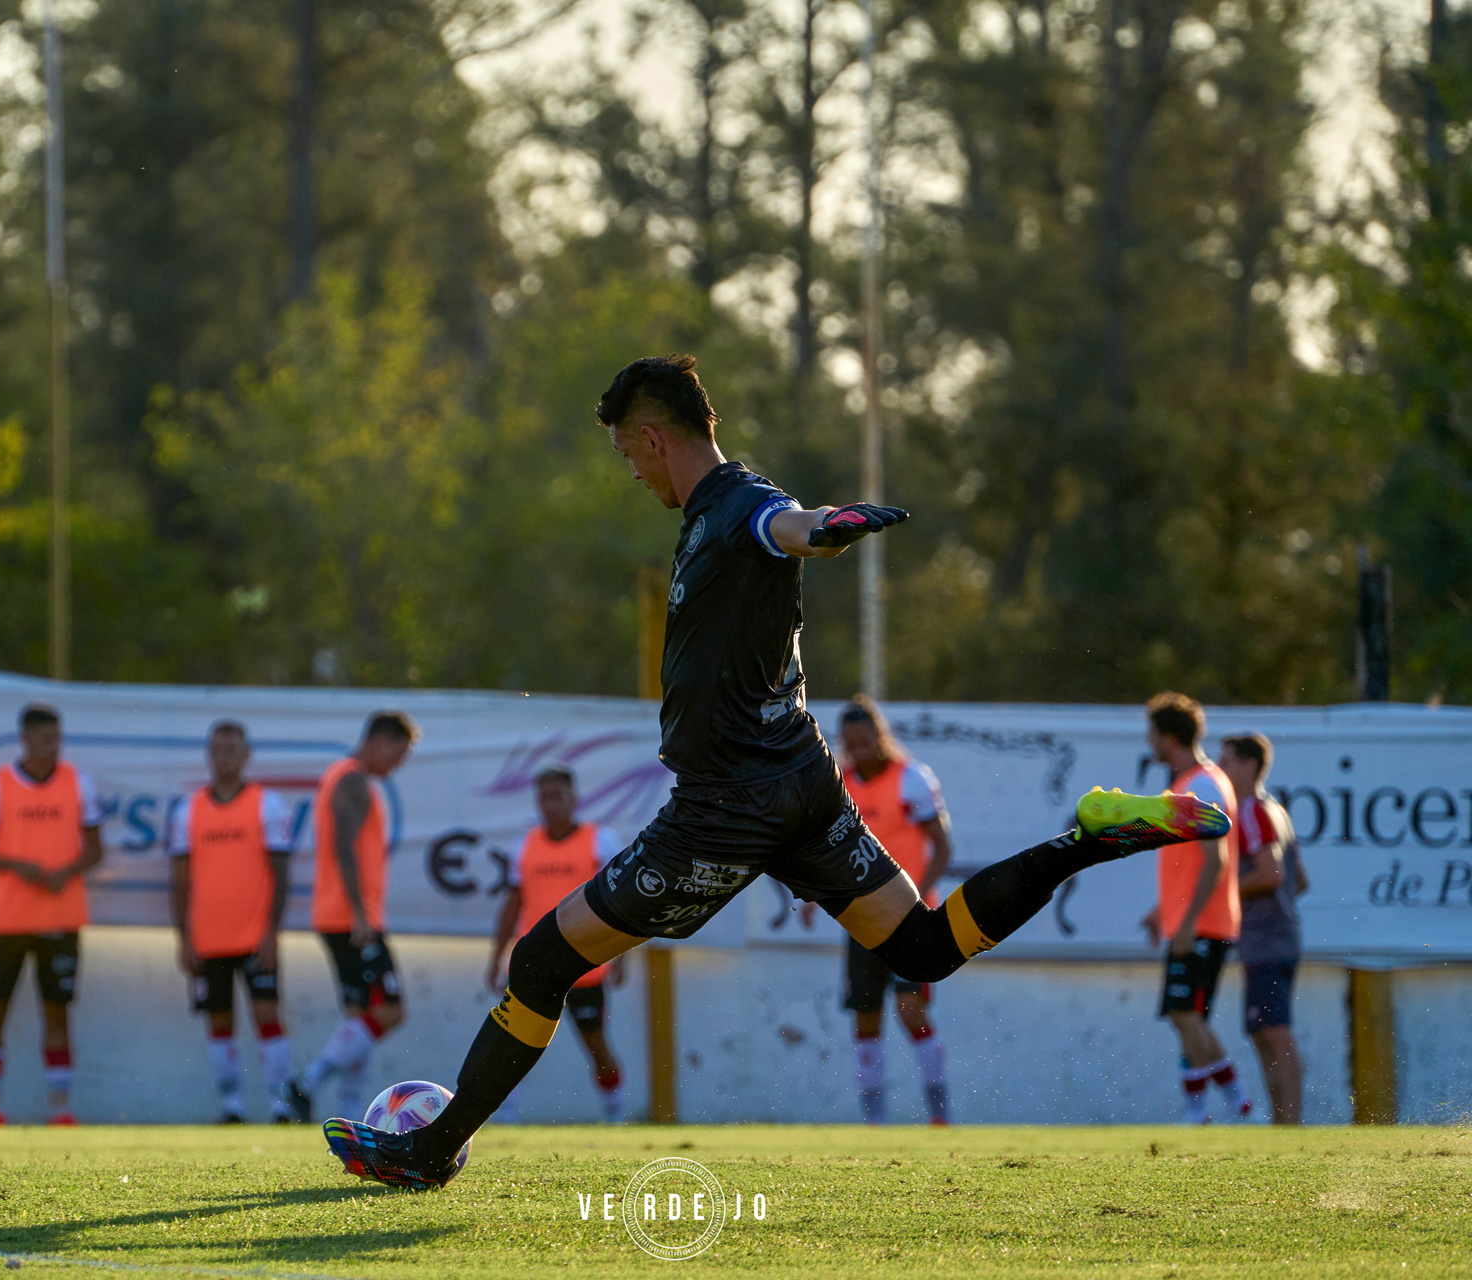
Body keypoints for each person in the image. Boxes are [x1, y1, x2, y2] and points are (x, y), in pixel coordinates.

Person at [325, 354, 1228, 1187]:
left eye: (624, 452)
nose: (628, 471)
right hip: (804, 781)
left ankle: (432, 1152)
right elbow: (783, 531)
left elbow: (785, 529)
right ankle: (1090, 838)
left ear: (650, 436)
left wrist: (829, 527)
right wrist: (815, 527)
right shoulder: (720, 510)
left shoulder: (732, 508)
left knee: (542, 956)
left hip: (727, 807)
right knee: (919, 948)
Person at [0, 703, 103, 1125]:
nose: (52, 747)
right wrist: (16, 866)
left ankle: (60, 1108)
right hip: (7, 919)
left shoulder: (78, 782)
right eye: (45, 739)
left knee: (57, 1010)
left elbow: (95, 849)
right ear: (25, 739)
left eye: (57, 739)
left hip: (61, 917)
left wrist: (68, 870)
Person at [284, 712, 419, 1122]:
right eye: (399, 753)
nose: (399, 764)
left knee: (360, 1020)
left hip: (340, 915)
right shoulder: (353, 779)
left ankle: (348, 1118)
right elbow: (342, 847)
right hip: (351, 918)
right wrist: (361, 913)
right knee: (390, 1010)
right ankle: (306, 1082)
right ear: (381, 741)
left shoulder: (343, 776)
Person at [167, 721, 295, 1123]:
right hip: (208, 940)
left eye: (232, 749)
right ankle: (232, 1107)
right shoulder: (188, 810)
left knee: (267, 1015)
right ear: (209, 755)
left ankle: (281, 1104)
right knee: (219, 1022)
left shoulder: (267, 805)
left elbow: (281, 874)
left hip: (256, 937)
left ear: (245, 755)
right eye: (217, 749)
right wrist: (183, 938)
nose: (224, 757)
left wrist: (272, 932)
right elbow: (179, 881)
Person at [837, 695, 954, 1125]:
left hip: (912, 917)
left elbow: (941, 847)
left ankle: (939, 1113)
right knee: (865, 1017)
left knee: (910, 1009)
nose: (859, 750)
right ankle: (875, 1123)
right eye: (851, 743)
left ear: (881, 736)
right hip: (862, 917)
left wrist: (920, 896)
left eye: (865, 740)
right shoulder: (840, 782)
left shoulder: (912, 778)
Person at [486, 764, 625, 1122]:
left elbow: (620, 903)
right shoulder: (525, 846)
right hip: (536, 963)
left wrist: (622, 955)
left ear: (574, 798)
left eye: (557, 796)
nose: (549, 805)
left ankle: (614, 1111)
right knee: (515, 1044)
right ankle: (507, 1117)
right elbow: (512, 904)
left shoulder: (599, 841)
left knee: (595, 1044)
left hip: (585, 964)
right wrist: (496, 958)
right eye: (543, 797)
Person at [1139, 691, 1248, 1124]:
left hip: (1203, 923)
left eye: (1151, 733)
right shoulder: (1189, 783)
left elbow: (1216, 861)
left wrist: (1185, 922)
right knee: (1189, 1018)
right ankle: (1234, 1104)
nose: (1148, 741)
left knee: (1185, 1015)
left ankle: (1205, 1110)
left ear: (1168, 738)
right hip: (1192, 919)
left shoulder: (1202, 784)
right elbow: (1187, 865)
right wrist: (1160, 910)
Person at [1219, 732, 1307, 1125]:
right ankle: (1282, 1123)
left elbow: (1270, 873)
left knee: (1274, 1033)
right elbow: (1298, 879)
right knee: (1263, 1032)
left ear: (1249, 765)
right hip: (1275, 936)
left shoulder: (1251, 809)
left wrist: (1222, 890)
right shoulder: (1275, 809)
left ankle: (1289, 1126)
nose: (1221, 770)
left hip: (1268, 939)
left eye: (1228, 762)